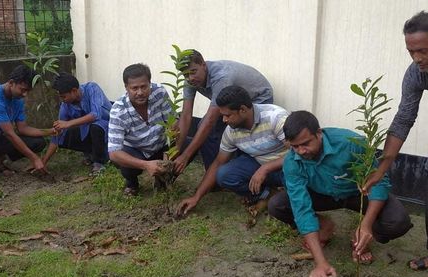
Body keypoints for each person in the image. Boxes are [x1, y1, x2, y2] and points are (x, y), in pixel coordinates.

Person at [268, 111, 412, 277]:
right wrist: (320, 263)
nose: (301, 151)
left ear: (319, 133)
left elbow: (379, 181)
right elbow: (301, 209)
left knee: (398, 222)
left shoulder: (351, 143)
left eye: (305, 143)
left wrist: (366, 225)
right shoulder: (292, 162)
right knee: (277, 205)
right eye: (294, 146)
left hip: (358, 192)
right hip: (323, 195)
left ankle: (362, 235)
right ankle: (324, 226)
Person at [362, 11, 428, 274]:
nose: (417, 58)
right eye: (411, 52)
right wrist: (382, 168)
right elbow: (404, 118)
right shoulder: (418, 73)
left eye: (423, 50)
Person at [177, 85, 288, 216]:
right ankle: (267, 194)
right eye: (222, 115)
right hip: (260, 165)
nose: (224, 120)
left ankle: (283, 194)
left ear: (243, 110)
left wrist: (266, 168)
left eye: (227, 115)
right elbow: (218, 163)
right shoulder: (231, 131)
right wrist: (196, 197)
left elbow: (298, 152)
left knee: (293, 193)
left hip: (288, 166)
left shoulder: (275, 118)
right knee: (224, 174)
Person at [173, 50, 274, 175]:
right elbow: (186, 115)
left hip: (258, 97)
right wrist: (175, 151)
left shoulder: (221, 76)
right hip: (231, 102)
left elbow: (210, 121)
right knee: (203, 127)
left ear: (203, 65)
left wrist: (186, 155)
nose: (190, 78)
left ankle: (243, 174)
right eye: (185, 75)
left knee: (240, 130)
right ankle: (214, 177)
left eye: (193, 72)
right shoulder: (189, 80)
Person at [0, 65, 55, 198]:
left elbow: (23, 129)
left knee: (37, 142)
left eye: (28, 91)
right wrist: (34, 158)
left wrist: (51, 131)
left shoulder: (17, 100)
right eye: (23, 90)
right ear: (11, 83)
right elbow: (10, 133)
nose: (25, 94)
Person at [108, 63, 172, 196]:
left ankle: (165, 179)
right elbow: (114, 153)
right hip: (137, 150)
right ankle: (132, 183)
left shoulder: (160, 93)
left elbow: (174, 122)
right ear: (126, 88)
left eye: (144, 86)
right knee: (123, 159)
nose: (140, 93)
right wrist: (146, 165)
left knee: (188, 144)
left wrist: (170, 150)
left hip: (161, 145)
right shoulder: (118, 110)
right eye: (134, 88)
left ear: (150, 83)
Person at [41, 72, 112, 175]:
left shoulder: (92, 88)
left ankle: (99, 163)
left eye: (63, 97)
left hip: (108, 128)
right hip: (90, 133)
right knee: (63, 136)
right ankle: (91, 154)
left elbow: (96, 114)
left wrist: (68, 123)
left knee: (96, 126)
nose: (62, 100)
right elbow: (57, 134)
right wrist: (43, 162)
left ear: (74, 91)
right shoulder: (65, 106)